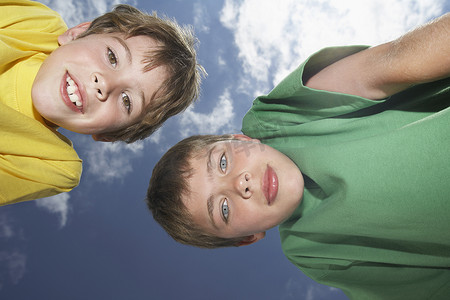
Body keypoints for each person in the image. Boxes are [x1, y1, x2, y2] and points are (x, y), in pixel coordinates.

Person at [146, 13, 450, 300]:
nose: (242, 184)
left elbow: (398, 60)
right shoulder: (312, 254)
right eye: (224, 209)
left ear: (240, 139)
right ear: (248, 238)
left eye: (223, 162)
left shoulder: (280, 116)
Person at [0, 0, 204, 205]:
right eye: (112, 57)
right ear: (77, 33)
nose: (105, 84)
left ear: (108, 134)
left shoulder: (55, 165)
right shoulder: (37, 25)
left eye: (126, 101)